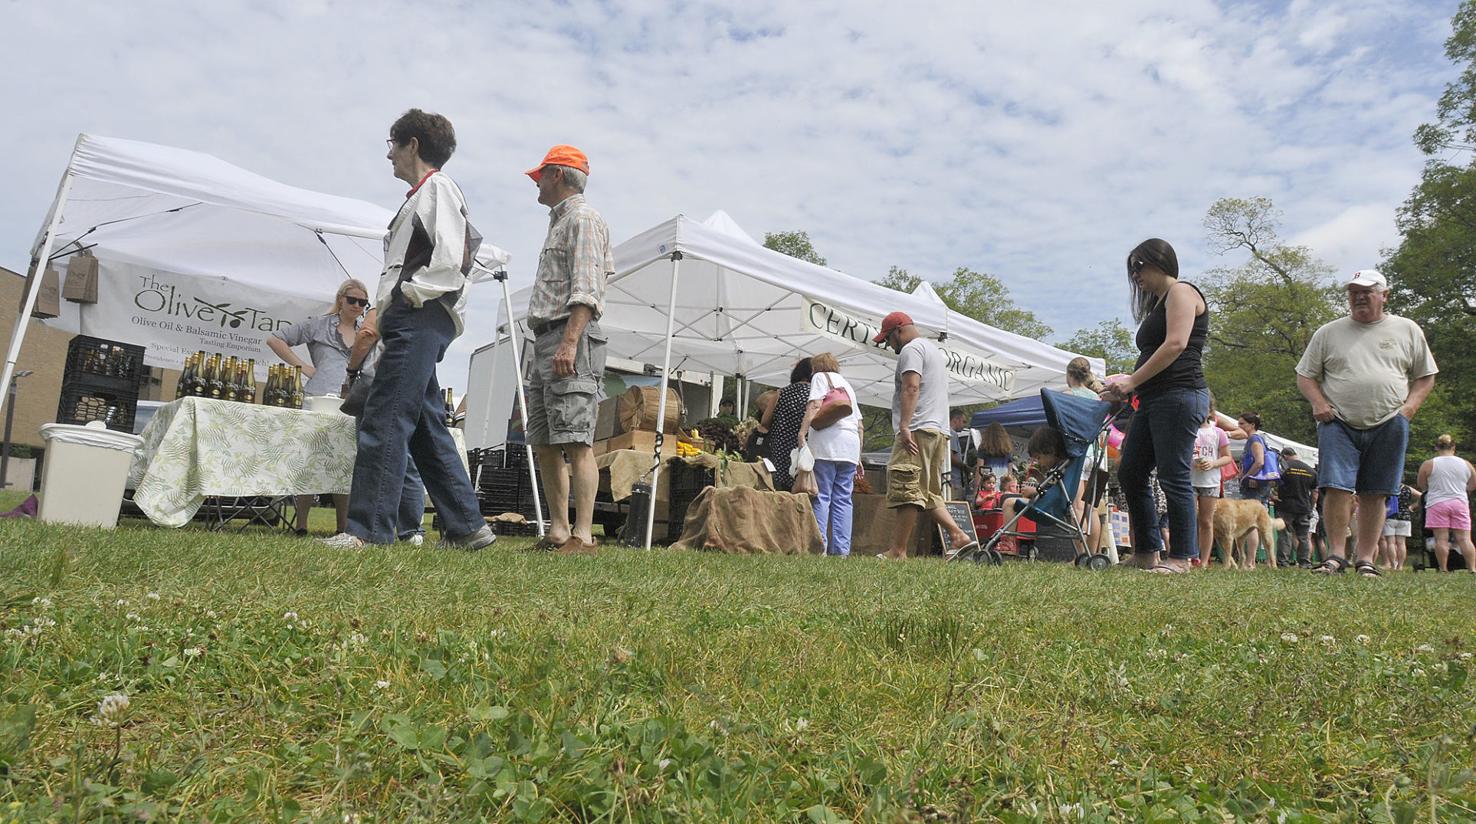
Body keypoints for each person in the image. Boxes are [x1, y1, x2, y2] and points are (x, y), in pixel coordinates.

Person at [321, 109, 495, 551]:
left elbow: (454, 260)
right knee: (425, 425)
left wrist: (410, 296)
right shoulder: (428, 193)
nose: (389, 155)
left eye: (392, 144)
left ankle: (367, 532)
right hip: (418, 317)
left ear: (412, 144)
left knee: (385, 416)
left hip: (418, 316)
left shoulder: (436, 188)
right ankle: (466, 526)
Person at [1297, 269, 1437, 577]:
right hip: (1338, 422)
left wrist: (1409, 409)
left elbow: (1426, 375)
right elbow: (1305, 374)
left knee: (1376, 491)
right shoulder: (1329, 332)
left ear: (1384, 295)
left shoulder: (1406, 329)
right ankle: (1335, 556)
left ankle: (1366, 560)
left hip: (1390, 421)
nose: (1359, 296)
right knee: (1335, 487)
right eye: (1353, 292)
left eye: (1367, 291)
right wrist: (1318, 403)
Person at [523, 145, 614, 554]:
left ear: (557, 175)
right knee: (544, 439)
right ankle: (559, 532)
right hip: (547, 337)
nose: (537, 183)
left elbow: (587, 288)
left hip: (567, 335)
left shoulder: (582, 218)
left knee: (577, 438)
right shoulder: (561, 222)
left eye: (540, 175)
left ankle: (583, 534)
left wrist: (570, 341)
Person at [1101, 239, 1210, 573]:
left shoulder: (1181, 292)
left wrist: (1132, 381)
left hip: (1179, 394)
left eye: (1139, 267)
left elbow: (1176, 344)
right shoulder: (1159, 303)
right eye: (1132, 270)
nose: (1136, 276)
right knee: (1131, 471)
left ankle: (1181, 557)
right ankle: (1147, 551)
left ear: (1160, 262)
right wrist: (1127, 385)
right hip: (1153, 399)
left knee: (1173, 475)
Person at [268, 278, 372, 536]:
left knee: (345, 462)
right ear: (341, 299)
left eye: (362, 302)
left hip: (351, 401)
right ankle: (301, 524)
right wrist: (304, 367)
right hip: (318, 399)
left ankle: (342, 527)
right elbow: (276, 339)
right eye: (352, 300)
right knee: (310, 460)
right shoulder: (318, 325)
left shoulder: (365, 331)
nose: (357, 306)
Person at [873, 312, 977, 559]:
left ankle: (898, 551)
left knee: (907, 487)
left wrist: (905, 426)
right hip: (938, 431)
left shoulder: (912, 350)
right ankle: (959, 536)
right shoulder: (933, 351)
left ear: (898, 331)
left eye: (888, 339)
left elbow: (911, 386)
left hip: (918, 428)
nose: (889, 345)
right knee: (928, 492)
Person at [797, 352, 863, 556]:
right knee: (843, 499)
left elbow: (815, 405)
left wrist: (802, 433)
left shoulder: (820, 378)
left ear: (815, 368)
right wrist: (858, 456)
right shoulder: (847, 386)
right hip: (850, 448)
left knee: (821, 495)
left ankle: (820, 548)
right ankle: (842, 551)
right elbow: (860, 425)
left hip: (827, 445)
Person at [1416, 434, 1476, 573]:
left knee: (1441, 539)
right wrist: (1463, 489)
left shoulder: (1429, 464)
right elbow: (1473, 485)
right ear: (1453, 447)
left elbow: (1422, 484)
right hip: (1459, 502)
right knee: (1464, 538)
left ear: (1437, 447)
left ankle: (1443, 569)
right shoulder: (1466, 464)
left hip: (1437, 503)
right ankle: (1472, 568)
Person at [1191, 394, 1233, 567]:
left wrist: (1213, 463)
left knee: (1206, 521)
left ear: (1210, 410)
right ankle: (1189, 556)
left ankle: (1204, 559)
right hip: (1190, 480)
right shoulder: (1189, 430)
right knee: (1189, 518)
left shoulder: (1218, 432)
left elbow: (1227, 457)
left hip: (1211, 482)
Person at [759, 359, 814, 492]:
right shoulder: (815, 395)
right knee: (803, 488)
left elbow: (765, 422)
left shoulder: (780, 393)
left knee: (781, 490)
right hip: (805, 449)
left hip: (780, 448)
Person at [1274, 447, 1319, 567]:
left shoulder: (1282, 468)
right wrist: (1310, 507)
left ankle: (1283, 562)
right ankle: (1305, 562)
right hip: (1303, 507)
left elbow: (1273, 484)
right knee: (1303, 537)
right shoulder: (1310, 470)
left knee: (1285, 535)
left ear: (1284, 456)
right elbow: (1315, 493)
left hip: (1285, 506)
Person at [1235, 412, 1275, 504]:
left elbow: (1259, 462)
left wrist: (1247, 476)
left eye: (1242, 424)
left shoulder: (1254, 439)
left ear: (1252, 424)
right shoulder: (1258, 439)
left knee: (1252, 514)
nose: (1239, 426)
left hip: (1254, 486)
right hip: (1259, 486)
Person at [1379, 480, 1419, 570]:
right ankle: (1400, 566)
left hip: (1391, 516)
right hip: (1405, 517)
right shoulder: (1408, 488)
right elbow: (1422, 496)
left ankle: (1393, 565)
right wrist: (1412, 506)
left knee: (1391, 543)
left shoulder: (1388, 488)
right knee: (1401, 543)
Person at [948, 409, 973, 499]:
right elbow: (950, 457)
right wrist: (965, 467)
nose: (964, 425)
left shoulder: (947, 432)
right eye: (963, 421)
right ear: (956, 419)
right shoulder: (952, 433)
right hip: (953, 480)